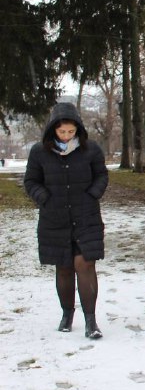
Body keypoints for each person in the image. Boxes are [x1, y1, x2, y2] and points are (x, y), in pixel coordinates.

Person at [24, 102, 108, 339]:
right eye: (62, 132)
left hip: (86, 216)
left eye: (71, 132)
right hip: (55, 218)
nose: (67, 136)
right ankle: (66, 314)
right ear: (53, 130)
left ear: (78, 129)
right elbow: (31, 181)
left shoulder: (90, 149)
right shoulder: (39, 152)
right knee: (63, 266)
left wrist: (92, 194)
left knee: (85, 264)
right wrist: (44, 198)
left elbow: (101, 174)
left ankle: (91, 321)